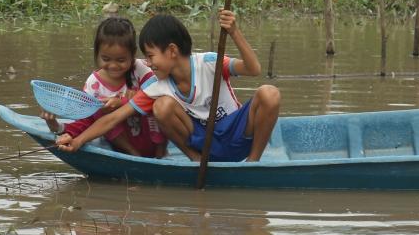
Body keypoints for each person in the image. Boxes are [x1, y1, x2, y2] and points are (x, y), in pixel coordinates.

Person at [57, 10, 280, 162]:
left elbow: (254, 69)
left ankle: (253, 161)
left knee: (269, 93)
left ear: (172, 51)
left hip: (236, 136)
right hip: (207, 146)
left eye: (151, 56)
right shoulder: (158, 86)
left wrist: (234, 32)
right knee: (161, 107)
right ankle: (195, 159)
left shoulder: (210, 63)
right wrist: (77, 141)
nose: (148, 63)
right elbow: (113, 118)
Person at [43, 16, 165, 158]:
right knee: (99, 109)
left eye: (121, 60)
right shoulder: (93, 85)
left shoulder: (142, 70)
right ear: (97, 54)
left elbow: (159, 97)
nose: (113, 66)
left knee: (158, 103)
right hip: (124, 145)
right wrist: (57, 126)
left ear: (132, 55)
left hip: (151, 138)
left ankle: (160, 155)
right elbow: (85, 121)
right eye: (106, 59)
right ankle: (134, 155)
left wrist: (122, 102)